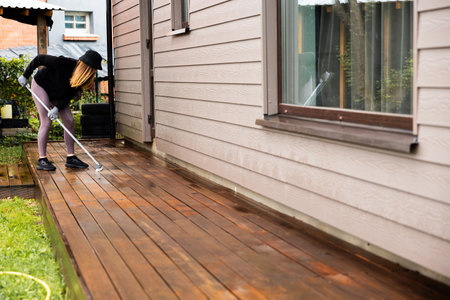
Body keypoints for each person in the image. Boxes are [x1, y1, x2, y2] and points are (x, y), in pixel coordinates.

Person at [18, 50, 102, 171]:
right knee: (46, 121)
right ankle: (42, 160)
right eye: (94, 69)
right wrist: (25, 75)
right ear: (87, 67)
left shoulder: (82, 79)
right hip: (42, 86)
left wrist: (57, 108)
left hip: (58, 94)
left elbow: (68, 96)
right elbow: (39, 59)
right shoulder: (64, 63)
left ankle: (71, 158)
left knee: (69, 120)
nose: (94, 72)